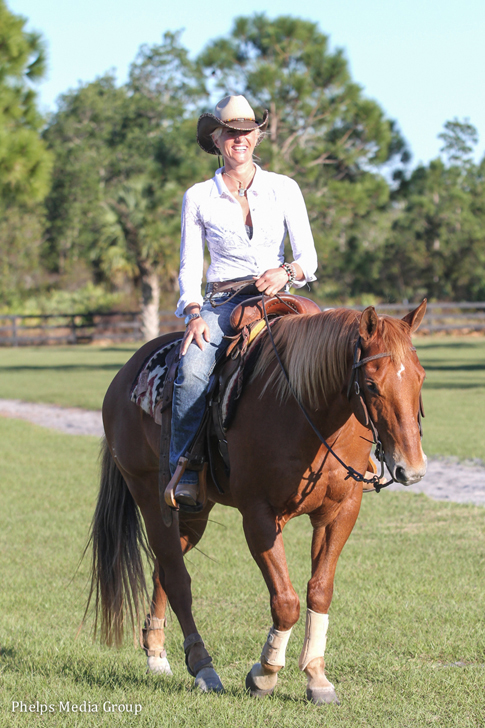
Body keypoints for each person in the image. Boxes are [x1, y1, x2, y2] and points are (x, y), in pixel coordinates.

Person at [170, 94, 318, 507]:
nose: (240, 139)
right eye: (230, 132)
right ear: (216, 140)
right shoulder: (198, 196)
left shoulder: (284, 188)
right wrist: (194, 313)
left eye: (247, 131)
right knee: (194, 369)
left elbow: (309, 259)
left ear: (258, 136)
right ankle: (187, 467)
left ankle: (350, 455)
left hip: (278, 297)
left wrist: (285, 272)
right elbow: (188, 266)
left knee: (331, 352)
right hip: (223, 302)